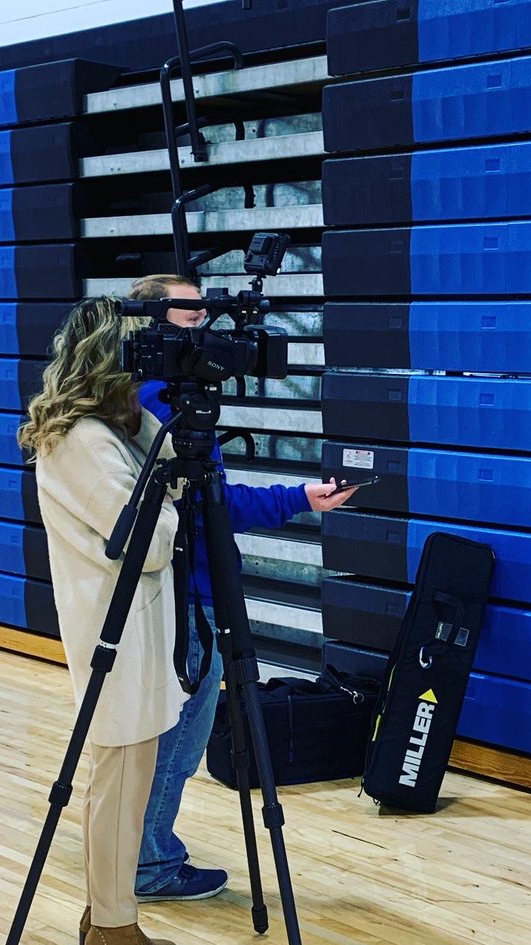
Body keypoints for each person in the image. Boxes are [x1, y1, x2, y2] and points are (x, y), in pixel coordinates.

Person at [125, 273, 356, 902]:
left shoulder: (146, 398)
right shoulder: (157, 406)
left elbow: (211, 501)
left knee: (160, 733)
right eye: (191, 313)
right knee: (181, 735)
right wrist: (293, 498)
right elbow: (204, 510)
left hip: (175, 588)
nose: (207, 324)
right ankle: (148, 866)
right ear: (152, 321)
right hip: (183, 593)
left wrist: (300, 496)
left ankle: (137, 855)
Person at [18, 297, 188, 945]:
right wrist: (173, 503)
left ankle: (111, 915)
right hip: (110, 633)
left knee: (130, 778)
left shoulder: (108, 429)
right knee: (117, 785)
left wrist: (154, 432)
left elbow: (159, 473)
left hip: (131, 628)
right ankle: (111, 927)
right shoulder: (82, 441)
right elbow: (145, 544)